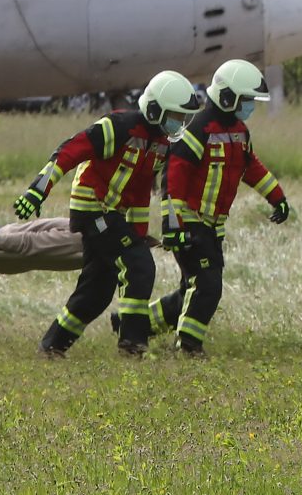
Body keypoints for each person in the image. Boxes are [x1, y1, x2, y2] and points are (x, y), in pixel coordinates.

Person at [15, 70, 200, 358]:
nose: (180, 123)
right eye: (175, 115)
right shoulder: (119, 126)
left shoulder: (161, 143)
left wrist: (139, 234)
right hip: (93, 210)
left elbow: (139, 194)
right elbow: (68, 151)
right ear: (154, 109)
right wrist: (38, 189)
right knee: (140, 266)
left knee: (97, 291)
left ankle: (52, 346)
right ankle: (132, 344)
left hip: (114, 216)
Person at [155, 58, 293, 356]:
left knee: (189, 290)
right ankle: (188, 346)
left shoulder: (239, 131)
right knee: (207, 285)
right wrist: (173, 223)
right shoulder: (199, 129)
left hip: (212, 227)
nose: (250, 106)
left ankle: (136, 324)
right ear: (228, 97)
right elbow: (174, 176)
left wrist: (277, 197)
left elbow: (250, 167)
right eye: (246, 100)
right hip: (191, 224)